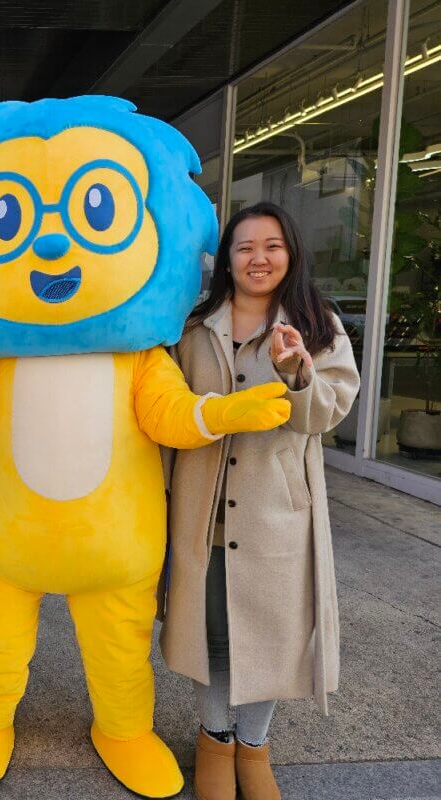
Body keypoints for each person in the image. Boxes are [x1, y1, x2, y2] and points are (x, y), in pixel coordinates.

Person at [160, 201, 360, 800]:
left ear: (291, 253)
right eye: (244, 247)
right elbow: (169, 412)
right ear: (226, 259)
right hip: (201, 511)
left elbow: (330, 410)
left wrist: (296, 371)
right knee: (210, 633)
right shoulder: (196, 328)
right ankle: (213, 741)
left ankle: (253, 747)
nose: (258, 258)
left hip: (276, 513)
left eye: (271, 246)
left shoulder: (315, 324)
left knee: (268, 636)